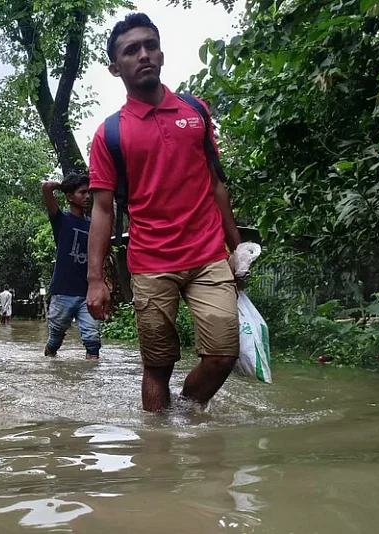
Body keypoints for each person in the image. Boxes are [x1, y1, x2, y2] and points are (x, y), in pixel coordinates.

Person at [86, 14, 243, 411]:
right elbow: (103, 210)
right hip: (151, 263)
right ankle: (159, 453)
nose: (144, 55)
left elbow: (216, 183)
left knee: (223, 355)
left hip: (209, 255)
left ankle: (187, 412)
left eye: (150, 46)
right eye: (131, 50)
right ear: (114, 66)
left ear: (161, 53)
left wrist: (237, 248)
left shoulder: (196, 112)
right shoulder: (110, 134)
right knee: (157, 365)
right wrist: (95, 280)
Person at [42, 172, 102, 360]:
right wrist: (65, 185)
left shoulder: (93, 224)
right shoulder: (61, 220)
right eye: (82, 192)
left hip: (86, 292)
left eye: (88, 192)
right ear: (69, 197)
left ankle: (91, 382)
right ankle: (49, 358)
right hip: (63, 292)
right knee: (55, 339)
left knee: (93, 340)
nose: (87, 197)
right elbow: (46, 187)